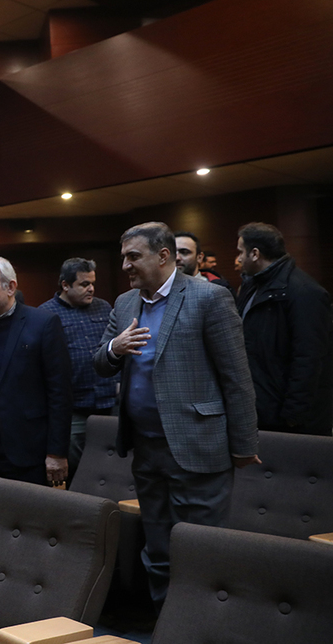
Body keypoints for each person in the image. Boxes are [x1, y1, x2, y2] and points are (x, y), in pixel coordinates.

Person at [94, 222, 258, 611]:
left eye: (134, 256)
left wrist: (243, 446)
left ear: (163, 256)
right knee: (158, 549)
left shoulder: (209, 297)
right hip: (146, 449)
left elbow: (237, 379)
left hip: (198, 446)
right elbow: (100, 362)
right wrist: (115, 347)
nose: (125, 265)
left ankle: (204, 627)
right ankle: (165, 625)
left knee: (201, 552)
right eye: (123, 257)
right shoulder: (125, 303)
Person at [0, 257, 71, 515]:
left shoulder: (43, 323)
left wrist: (56, 453)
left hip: (27, 451)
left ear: (10, 287)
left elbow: (60, 393)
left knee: (28, 522)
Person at [235, 222, 333, 435]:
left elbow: (309, 358)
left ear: (255, 254)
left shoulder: (305, 292)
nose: (238, 259)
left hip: (289, 419)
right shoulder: (253, 287)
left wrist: (293, 415)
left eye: (241, 252)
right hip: (262, 408)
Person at [39, 258, 118, 479]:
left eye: (92, 283)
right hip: (73, 406)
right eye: (84, 284)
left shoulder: (104, 307)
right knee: (77, 467)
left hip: (109, 401)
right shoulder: (46, 314)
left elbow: (115, 346)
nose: (91, 288)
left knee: (112, 468)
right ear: (65, 285)